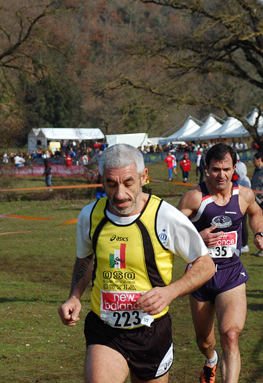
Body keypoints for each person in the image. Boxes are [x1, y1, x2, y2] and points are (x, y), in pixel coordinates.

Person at [58, 144, 215, 383]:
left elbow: (206, 264)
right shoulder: (89, 216)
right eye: (111, 184)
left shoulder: (165, 216)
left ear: (144, 177)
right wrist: (74, 296)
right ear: (101, 180)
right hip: (106, 329)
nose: (120, 194)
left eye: (128, 183)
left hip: (152, 331)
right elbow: (87, 257)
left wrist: (170, 292)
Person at [178, 143, 263, 383]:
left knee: (230, 335)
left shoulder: (244, 195)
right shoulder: (195, 197)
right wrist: (198, 238)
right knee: (204, 341)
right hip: (200, 275)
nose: (222, 175)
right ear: (207, 169)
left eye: (226, 169)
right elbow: (169, 232)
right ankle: (210, 360)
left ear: (234, 169)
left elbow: (256, 213)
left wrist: (259, 235)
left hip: (231, 274)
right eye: (216, 169)